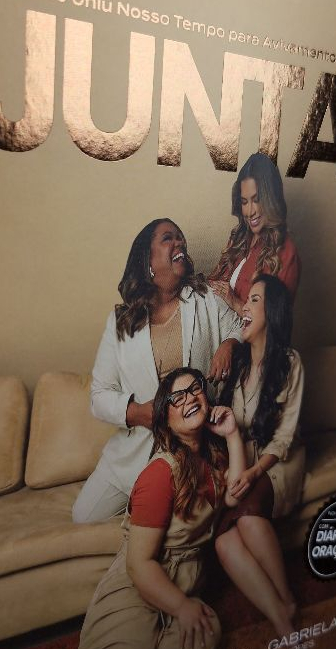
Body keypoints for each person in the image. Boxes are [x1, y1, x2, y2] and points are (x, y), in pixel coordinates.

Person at [3, 368, 247, 649]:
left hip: (182, 585)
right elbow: (139, 564)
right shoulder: (160, 473)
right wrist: (182, 607)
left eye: (195, 389)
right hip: (139, 587)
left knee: (207, 632)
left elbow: (235, 496)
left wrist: (233, 434)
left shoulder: (211, 459)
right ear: (165, 420)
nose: (190, 398)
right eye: (177, 398)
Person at [72, 218, 243, 524]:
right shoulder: (121, 321)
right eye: (168, 238)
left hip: (195, 446)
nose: (180, 243)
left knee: (189, 522)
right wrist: (138, 413)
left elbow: (242, 325)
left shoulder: (205, 298)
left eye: (181, 237)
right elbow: (99, 396)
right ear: (147, 260)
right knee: (84, 516)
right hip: (136, 449)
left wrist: (229, 344)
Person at [215, 274, 305, 639]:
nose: (244, 307)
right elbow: (226, 421)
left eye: (254, 300)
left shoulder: (290, 362)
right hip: (243, 460)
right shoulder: (237, 362)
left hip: (277, 463)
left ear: (273, 311)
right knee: (223, 542)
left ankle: (287, 599)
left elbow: (284, 437)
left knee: (248, 519)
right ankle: (280, 614)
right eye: (246, 300)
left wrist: (254, 473)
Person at [208, 152, 300, 316]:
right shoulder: (238, 237)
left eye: (257, 200)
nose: (250, 212)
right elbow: (213, 284)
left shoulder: (286, 252)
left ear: (271, 199)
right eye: (244, 202)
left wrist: (235, 303)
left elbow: (275, 322)